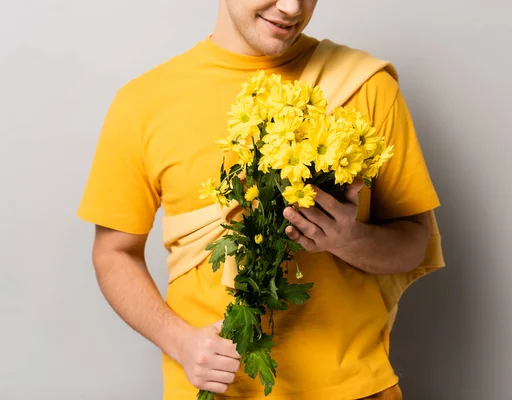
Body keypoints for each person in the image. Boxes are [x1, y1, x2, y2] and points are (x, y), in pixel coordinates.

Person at [77, 1, 444, 399]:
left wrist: (346, 238)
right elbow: (114, 253)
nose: (291, 7)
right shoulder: (143, 103)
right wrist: (180, 341)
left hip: (355, 390)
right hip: (217, 390)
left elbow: (414, 245)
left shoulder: (366, 86)